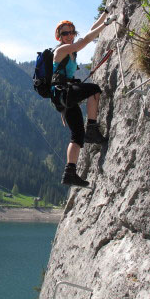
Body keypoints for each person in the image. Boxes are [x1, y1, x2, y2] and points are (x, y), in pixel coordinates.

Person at [51, 13, 112, 187]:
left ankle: (69, 173)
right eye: (65, 34)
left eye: (72, 32)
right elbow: (85, 40)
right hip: (65, 93)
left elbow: (89, 32)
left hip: (64, 96)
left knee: (77, 136)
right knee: (94, 90)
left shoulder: (71, 49)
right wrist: (107, 24)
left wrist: (105, 14)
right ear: (59, 37)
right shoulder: (61, 50)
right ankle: (92, 128)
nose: (69, 35)